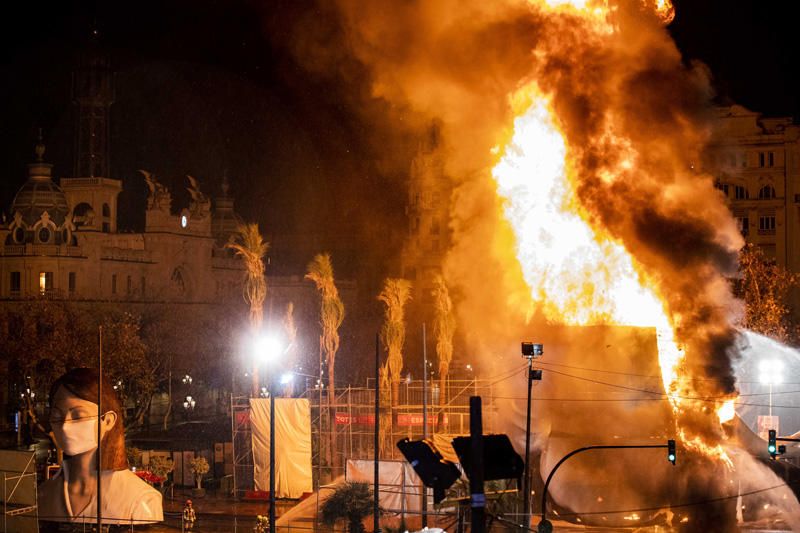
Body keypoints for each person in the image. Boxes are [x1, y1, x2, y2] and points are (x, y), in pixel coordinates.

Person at [38, 368, 164, 526]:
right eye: (57, 416)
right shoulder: (44, 494)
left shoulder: (140, 500)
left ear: (108, 421)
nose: (64, 426)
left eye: (78, 415)